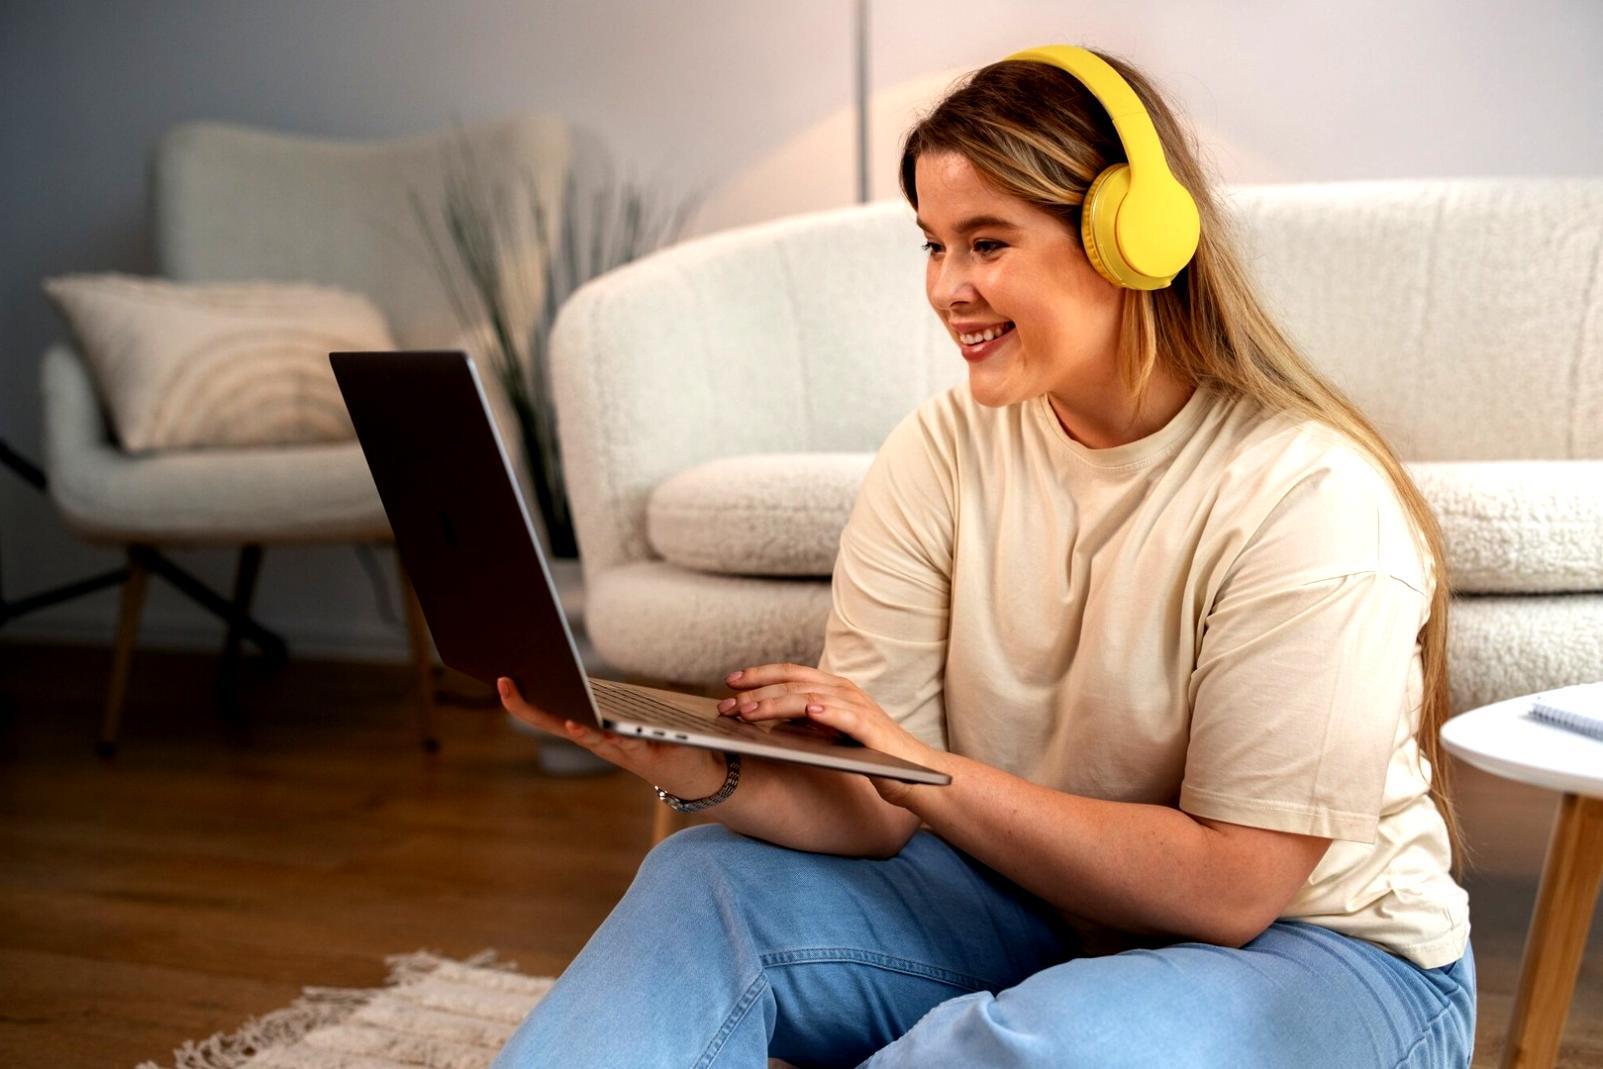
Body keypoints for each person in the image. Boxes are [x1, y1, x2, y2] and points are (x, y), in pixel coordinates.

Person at [491, 44, 1475, 1068]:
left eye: (987, 242)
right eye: (932, 245)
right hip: (1030, 909)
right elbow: (877, 803)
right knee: (707, 887)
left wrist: (929, 773)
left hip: (1316, 959)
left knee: (1014, 1049)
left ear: (1130, 238)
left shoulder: (1308, 497)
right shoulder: (941, 449)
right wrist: (694, 766)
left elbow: (1231, 888)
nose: (948, 288)